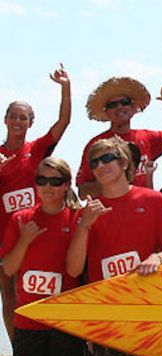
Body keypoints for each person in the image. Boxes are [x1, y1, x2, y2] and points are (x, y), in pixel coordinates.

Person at [67, 136, 162, 356]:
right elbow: (74, 269)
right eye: (94, 163)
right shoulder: (87, 212)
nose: (100, 166)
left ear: (125, 163)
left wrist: (157, 257)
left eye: (107, 158)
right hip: (108, 314)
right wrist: (84, 225)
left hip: (149, 310)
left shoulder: (153, 200)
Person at [0, 64, 71, 339]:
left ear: (31, 123)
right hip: (5, 234)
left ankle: (45, 346)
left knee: (39, 289)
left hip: (37, 229)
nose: (18, 121)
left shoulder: (38, 149)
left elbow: (63, 123)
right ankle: (18, 350)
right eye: (14, 116)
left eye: (24, 117)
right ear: (5, 120)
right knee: (9, 296)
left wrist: (65, 87)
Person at [0, 157, 83, 356]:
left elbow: (77, 270)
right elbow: (8, 269)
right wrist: (25, 241)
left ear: (66, 185)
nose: (47, 186)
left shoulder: (77, 218)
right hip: (28, 321)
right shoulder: (22, 218)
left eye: (55, 181)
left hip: (64, 322)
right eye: (41, 180)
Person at [77, 76, 162, 198]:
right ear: (106, 112)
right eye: (112, 105)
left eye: (125, 102)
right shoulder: (96, 144)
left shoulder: (147, 137)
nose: (119, 107)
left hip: (143, 210)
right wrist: (114, 181)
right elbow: (83, 192)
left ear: (133, 108)